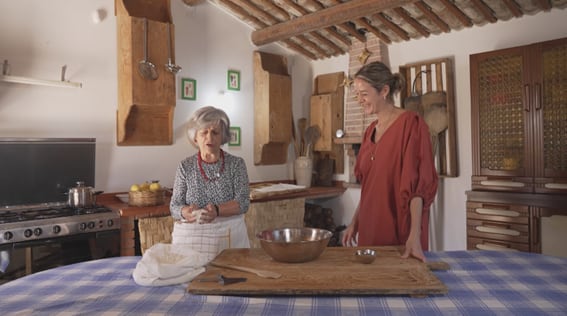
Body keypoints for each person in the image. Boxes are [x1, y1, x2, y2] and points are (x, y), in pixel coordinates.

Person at [341, 62, 438, 262]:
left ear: (384, 90)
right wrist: (354, 223)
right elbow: (370, 187)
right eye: (357, 94)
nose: (360, 100)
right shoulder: (370, 132)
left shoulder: (412, 125)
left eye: (364, 94)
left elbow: (417, 188)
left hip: (399, 231)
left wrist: (415, 235)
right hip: (369, 230)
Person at [170, 106, 251, 253]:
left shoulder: (236, 164)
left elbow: (243, 202)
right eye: (204, 132)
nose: (209, 138)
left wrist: (217, 210)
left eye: (215, 132)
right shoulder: (185, 166)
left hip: (230, 240)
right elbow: (174, 205)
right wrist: (185, 211)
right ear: (195, 137)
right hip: (193, 242)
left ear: (223, 137)